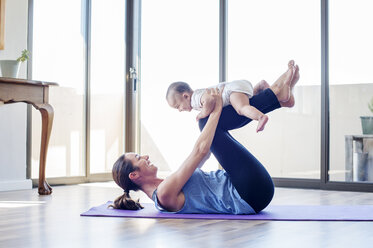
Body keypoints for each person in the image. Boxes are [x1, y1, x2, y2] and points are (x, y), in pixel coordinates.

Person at [110, 60, 299, 214]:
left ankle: (277, 97)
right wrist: (215, 109)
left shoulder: (169, 182)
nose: (145, 157)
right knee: (206, 121)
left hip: (249, 186)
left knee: (208, 122)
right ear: (134, 175)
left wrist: (214, 114)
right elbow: (200, 151)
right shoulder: (164, 194)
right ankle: (274, 95)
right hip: (248, 192)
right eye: (138, 158)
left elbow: (205, 152)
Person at [166, 76, 274, 132]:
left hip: (231, 91)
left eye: (178, 106)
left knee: (241, 108)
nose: (180, 110)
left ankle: (260, 117)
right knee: (248, 100)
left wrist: (203, 113)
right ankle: (260, 86)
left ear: (185, 96)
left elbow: (209, 100)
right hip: (237, 87)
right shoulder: (196, 95)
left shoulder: (195, 99)